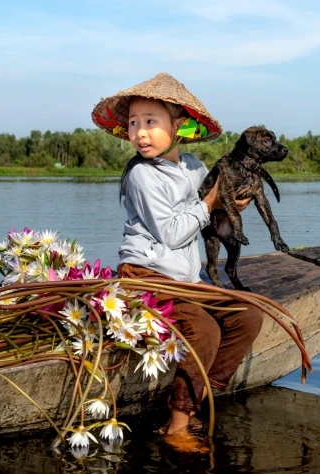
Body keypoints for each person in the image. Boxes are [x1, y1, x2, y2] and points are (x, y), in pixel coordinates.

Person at [91, 73, 264, 450]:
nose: (140, 132)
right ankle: (177, 425)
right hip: (146, 277)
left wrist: (231, 206)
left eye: (151, 121)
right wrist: (211, 202)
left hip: (185, 280)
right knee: (204, 331)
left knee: (248, 315)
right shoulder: (141, 175)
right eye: (134, 123)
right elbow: (171, 233)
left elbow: (210, 219)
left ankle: (200, 398)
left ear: (179, 125)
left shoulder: (194, 167)